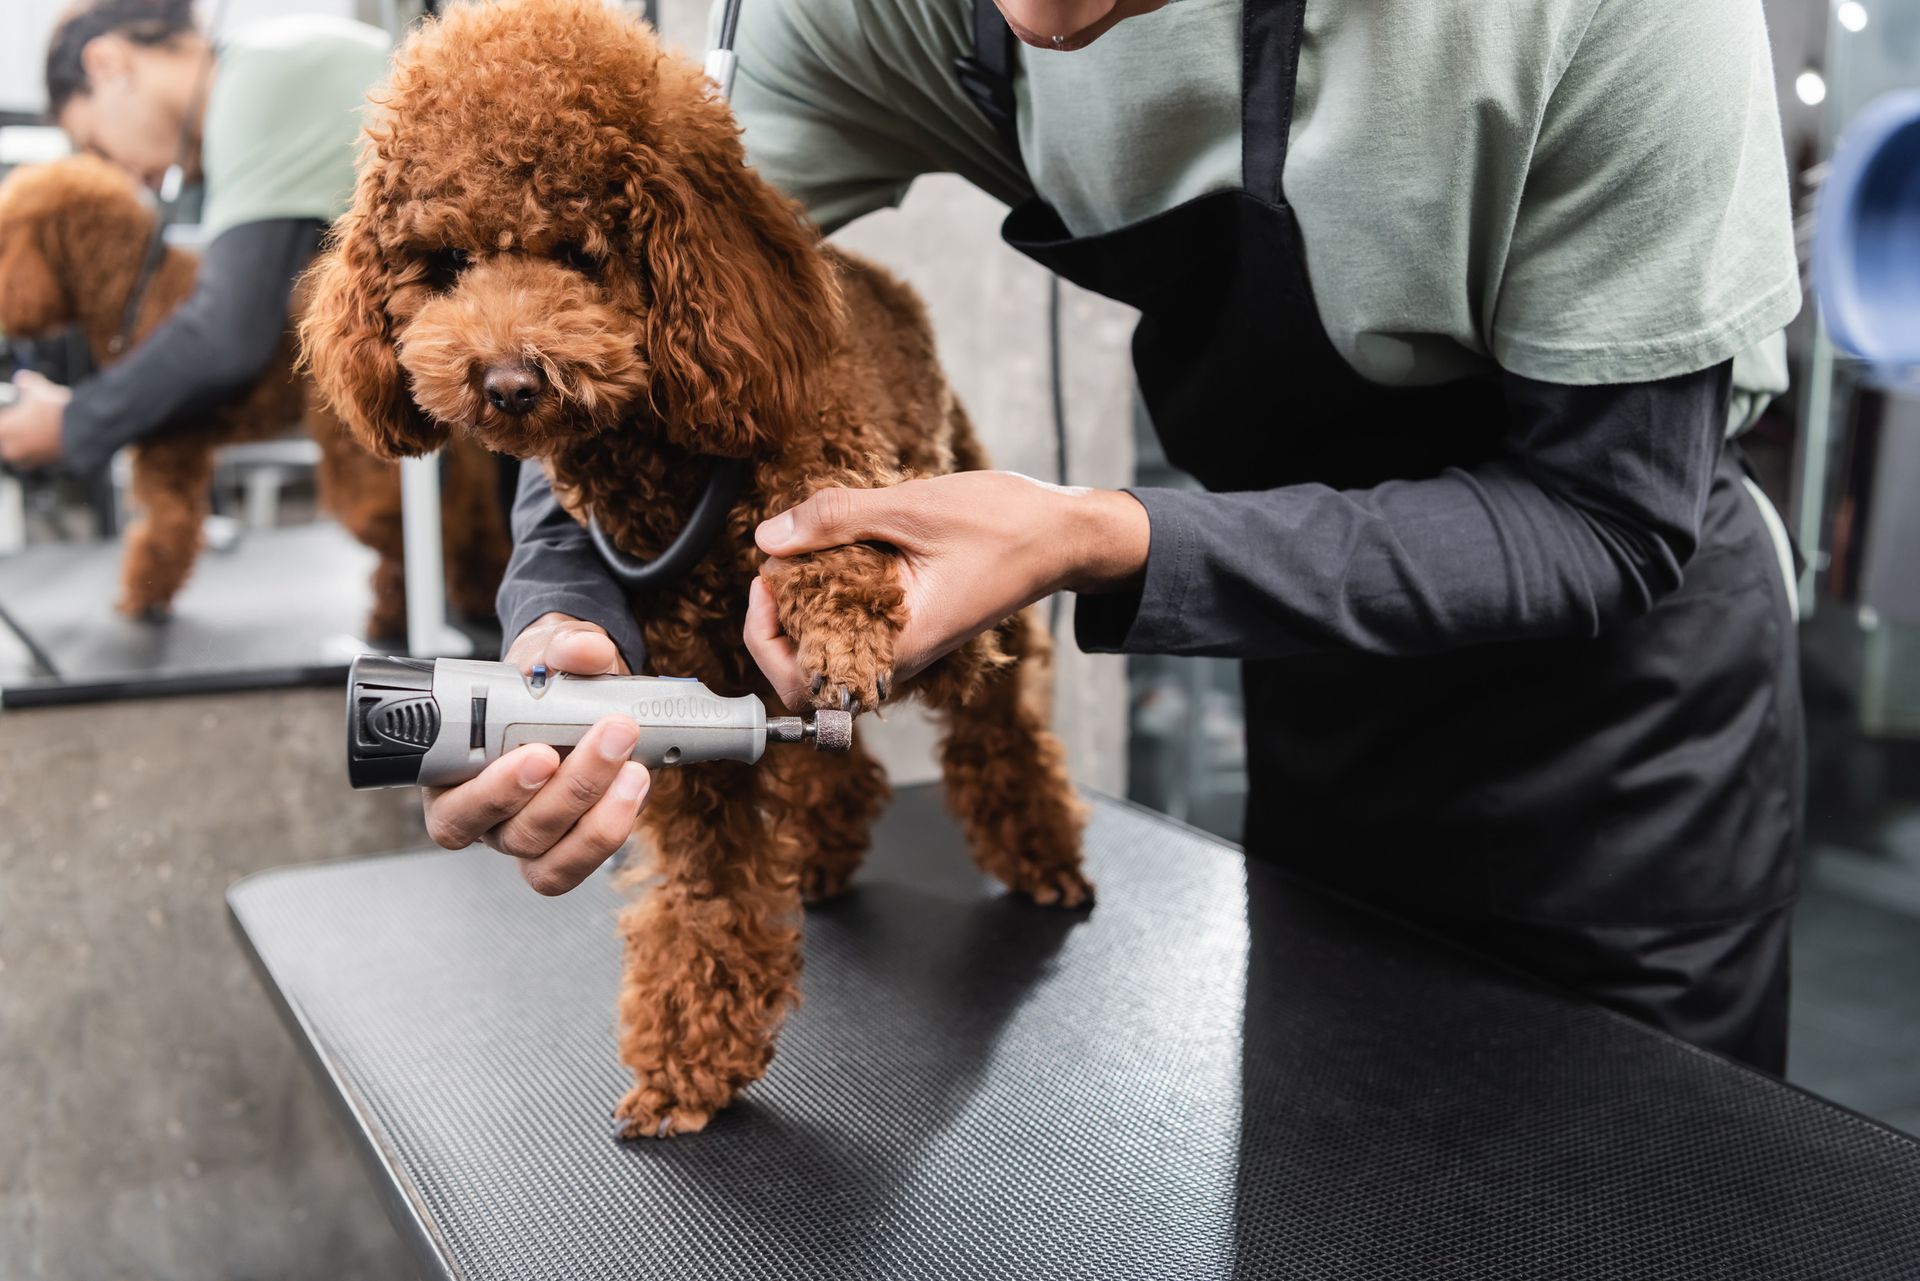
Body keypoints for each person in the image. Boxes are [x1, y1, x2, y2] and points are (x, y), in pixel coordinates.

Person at [429, 0, 1805, 1072]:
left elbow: (1608, 515)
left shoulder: (1614, 22)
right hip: (1321, 681)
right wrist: (565, 612)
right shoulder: (881, 19)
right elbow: (646, 328)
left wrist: (1094, 538)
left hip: (1628, 737)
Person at [0, 0, 389, 475]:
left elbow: (227, 334)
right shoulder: (268, 60)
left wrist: (73, 422)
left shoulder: (251, 88)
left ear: (109, 64)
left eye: (97, 145)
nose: (123, 175)